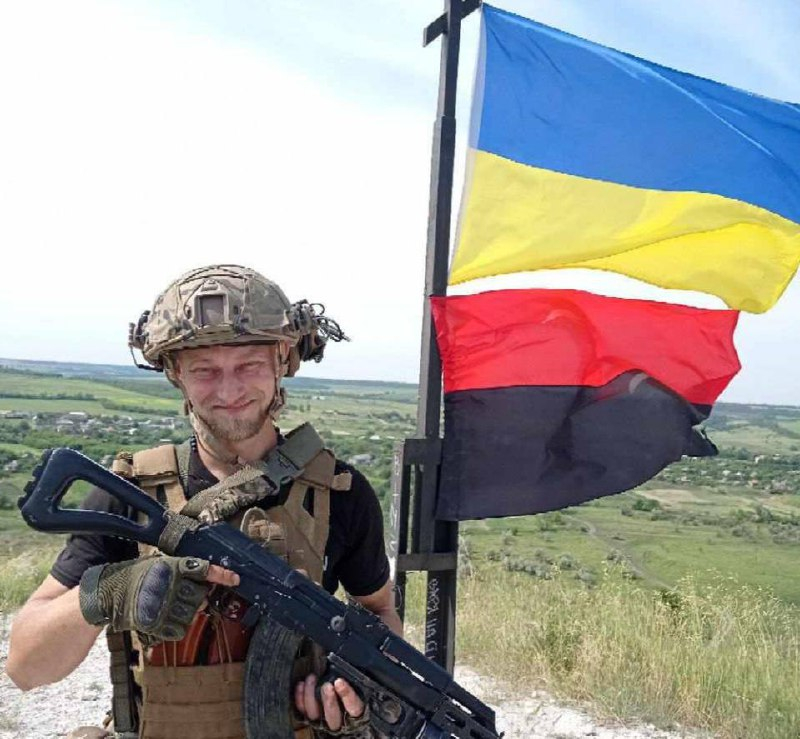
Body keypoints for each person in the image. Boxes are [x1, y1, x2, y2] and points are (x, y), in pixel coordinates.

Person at [6, 265, 402, 738]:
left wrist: (353, 683)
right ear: (175, 373)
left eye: (248, 365)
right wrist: (108, 592)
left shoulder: (340, 492)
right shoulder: (131, 496)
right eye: (205, 370)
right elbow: (26, 668)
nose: (229, 391)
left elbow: (380, 612)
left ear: (282, 360)